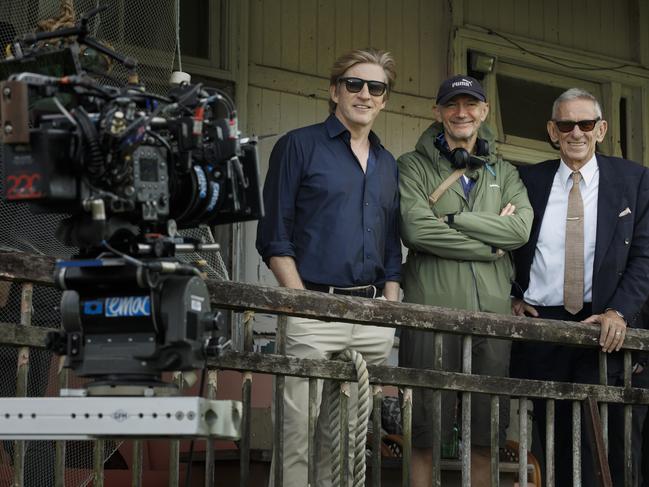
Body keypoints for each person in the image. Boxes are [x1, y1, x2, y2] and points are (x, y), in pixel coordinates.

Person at [255, 48, 401, 487]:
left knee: (347, 443)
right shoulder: (298, 145)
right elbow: (274, 234)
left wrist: (389, 307)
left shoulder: (387, 162)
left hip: (371, 316)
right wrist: (301, 303)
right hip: (311, 309)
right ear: (334, 90)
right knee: (296, 436)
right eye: (354, 84)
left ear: (384, 99)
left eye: (375, 87)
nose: (364, 94)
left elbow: (391, 246)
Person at [397, 75, 533, 487]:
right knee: (424, 430)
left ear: (484, 111)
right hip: (430, 313)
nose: (462, 112)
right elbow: (417, 230)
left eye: (471, 104)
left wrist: (455, 220)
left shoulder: (504, 171)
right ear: (437, 112)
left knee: (485, 435)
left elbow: (520, 230)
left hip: (492, 315)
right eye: (452, 105)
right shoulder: (412, 165)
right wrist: (489, 244)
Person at [511, 87, 649, 486]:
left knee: (609, 449)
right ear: (553, 131)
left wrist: (619, 311)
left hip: (602, 325)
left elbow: (643, 257)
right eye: (566, 124)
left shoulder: (634, 180)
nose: (576, 132)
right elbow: (506, 246)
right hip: (542, 327)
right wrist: (513, 296)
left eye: (585, 123)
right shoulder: (527, 179)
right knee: (555, 447)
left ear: (601, 129)